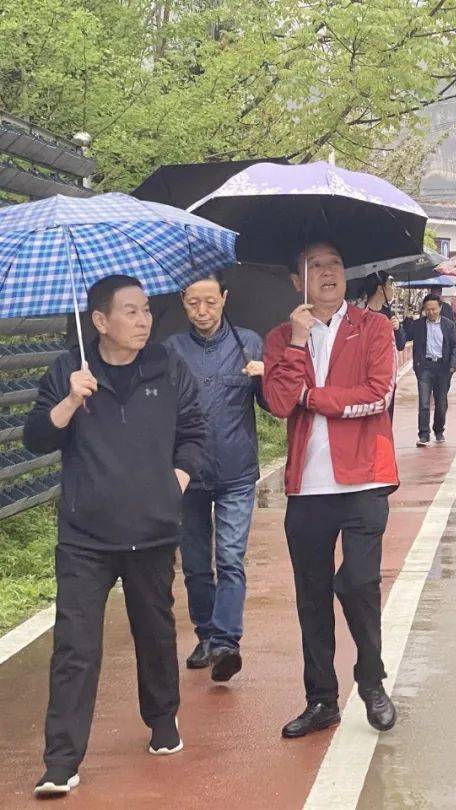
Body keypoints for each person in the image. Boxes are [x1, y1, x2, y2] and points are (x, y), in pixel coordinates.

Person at [24, 275, 206, 798]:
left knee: (155, 632)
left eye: (146, 310)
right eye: (130, 312)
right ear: (100, 322)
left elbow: (193, 430)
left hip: (150, 530)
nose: (144, 320)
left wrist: (178, 480)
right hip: (85, 535)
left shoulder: (168, 367)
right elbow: (37, 436)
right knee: (75, 646)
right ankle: (61, 760)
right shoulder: (69, 370)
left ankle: (163, 720)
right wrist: (68, 403)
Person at [263, 241, 400, 740]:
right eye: (315, 266)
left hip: (365, 476)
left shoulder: (374, 327)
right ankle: (321, 698)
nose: (327, 273)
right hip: (307, 486)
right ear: (298, 278)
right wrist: (298, 344)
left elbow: (378, 394)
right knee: (312, 595)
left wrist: (314, 398)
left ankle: (371, 680)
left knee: (359, 582)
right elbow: (278, 402)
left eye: (335, 265)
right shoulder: (281, 336)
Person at [164, 274, 265, 683]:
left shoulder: (249, 343)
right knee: (194, 564)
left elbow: (273, 405)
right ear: (183, 302)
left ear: (224, 298)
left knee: (229, 557)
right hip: (187, 474)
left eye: (209, 302)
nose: (202, 312)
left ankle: (226, 642)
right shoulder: (170, 351)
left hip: (236, 471)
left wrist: (265, 376)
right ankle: (205, 634)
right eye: (193, 304)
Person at [407, 293, 456, 447]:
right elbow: (404, 338)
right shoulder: (418, 325)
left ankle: (438, 429)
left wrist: (453, 364)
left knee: (441, 402)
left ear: (440, 308)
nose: (431, 312)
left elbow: (455, 345)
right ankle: (423, 434)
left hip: (443, 368)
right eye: (427, 309)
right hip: (425, 368)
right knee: (424, 402)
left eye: (434, 309)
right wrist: (404, 323)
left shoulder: (449, 325)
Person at [354, 271, 407, 418]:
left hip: (386, 379)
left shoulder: (389, 314)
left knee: (385, 421)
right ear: (380, 288)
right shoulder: (359, 314)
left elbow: (401, 345)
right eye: (390, 284)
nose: (392, 289)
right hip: (363, 378)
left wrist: (397, 328)